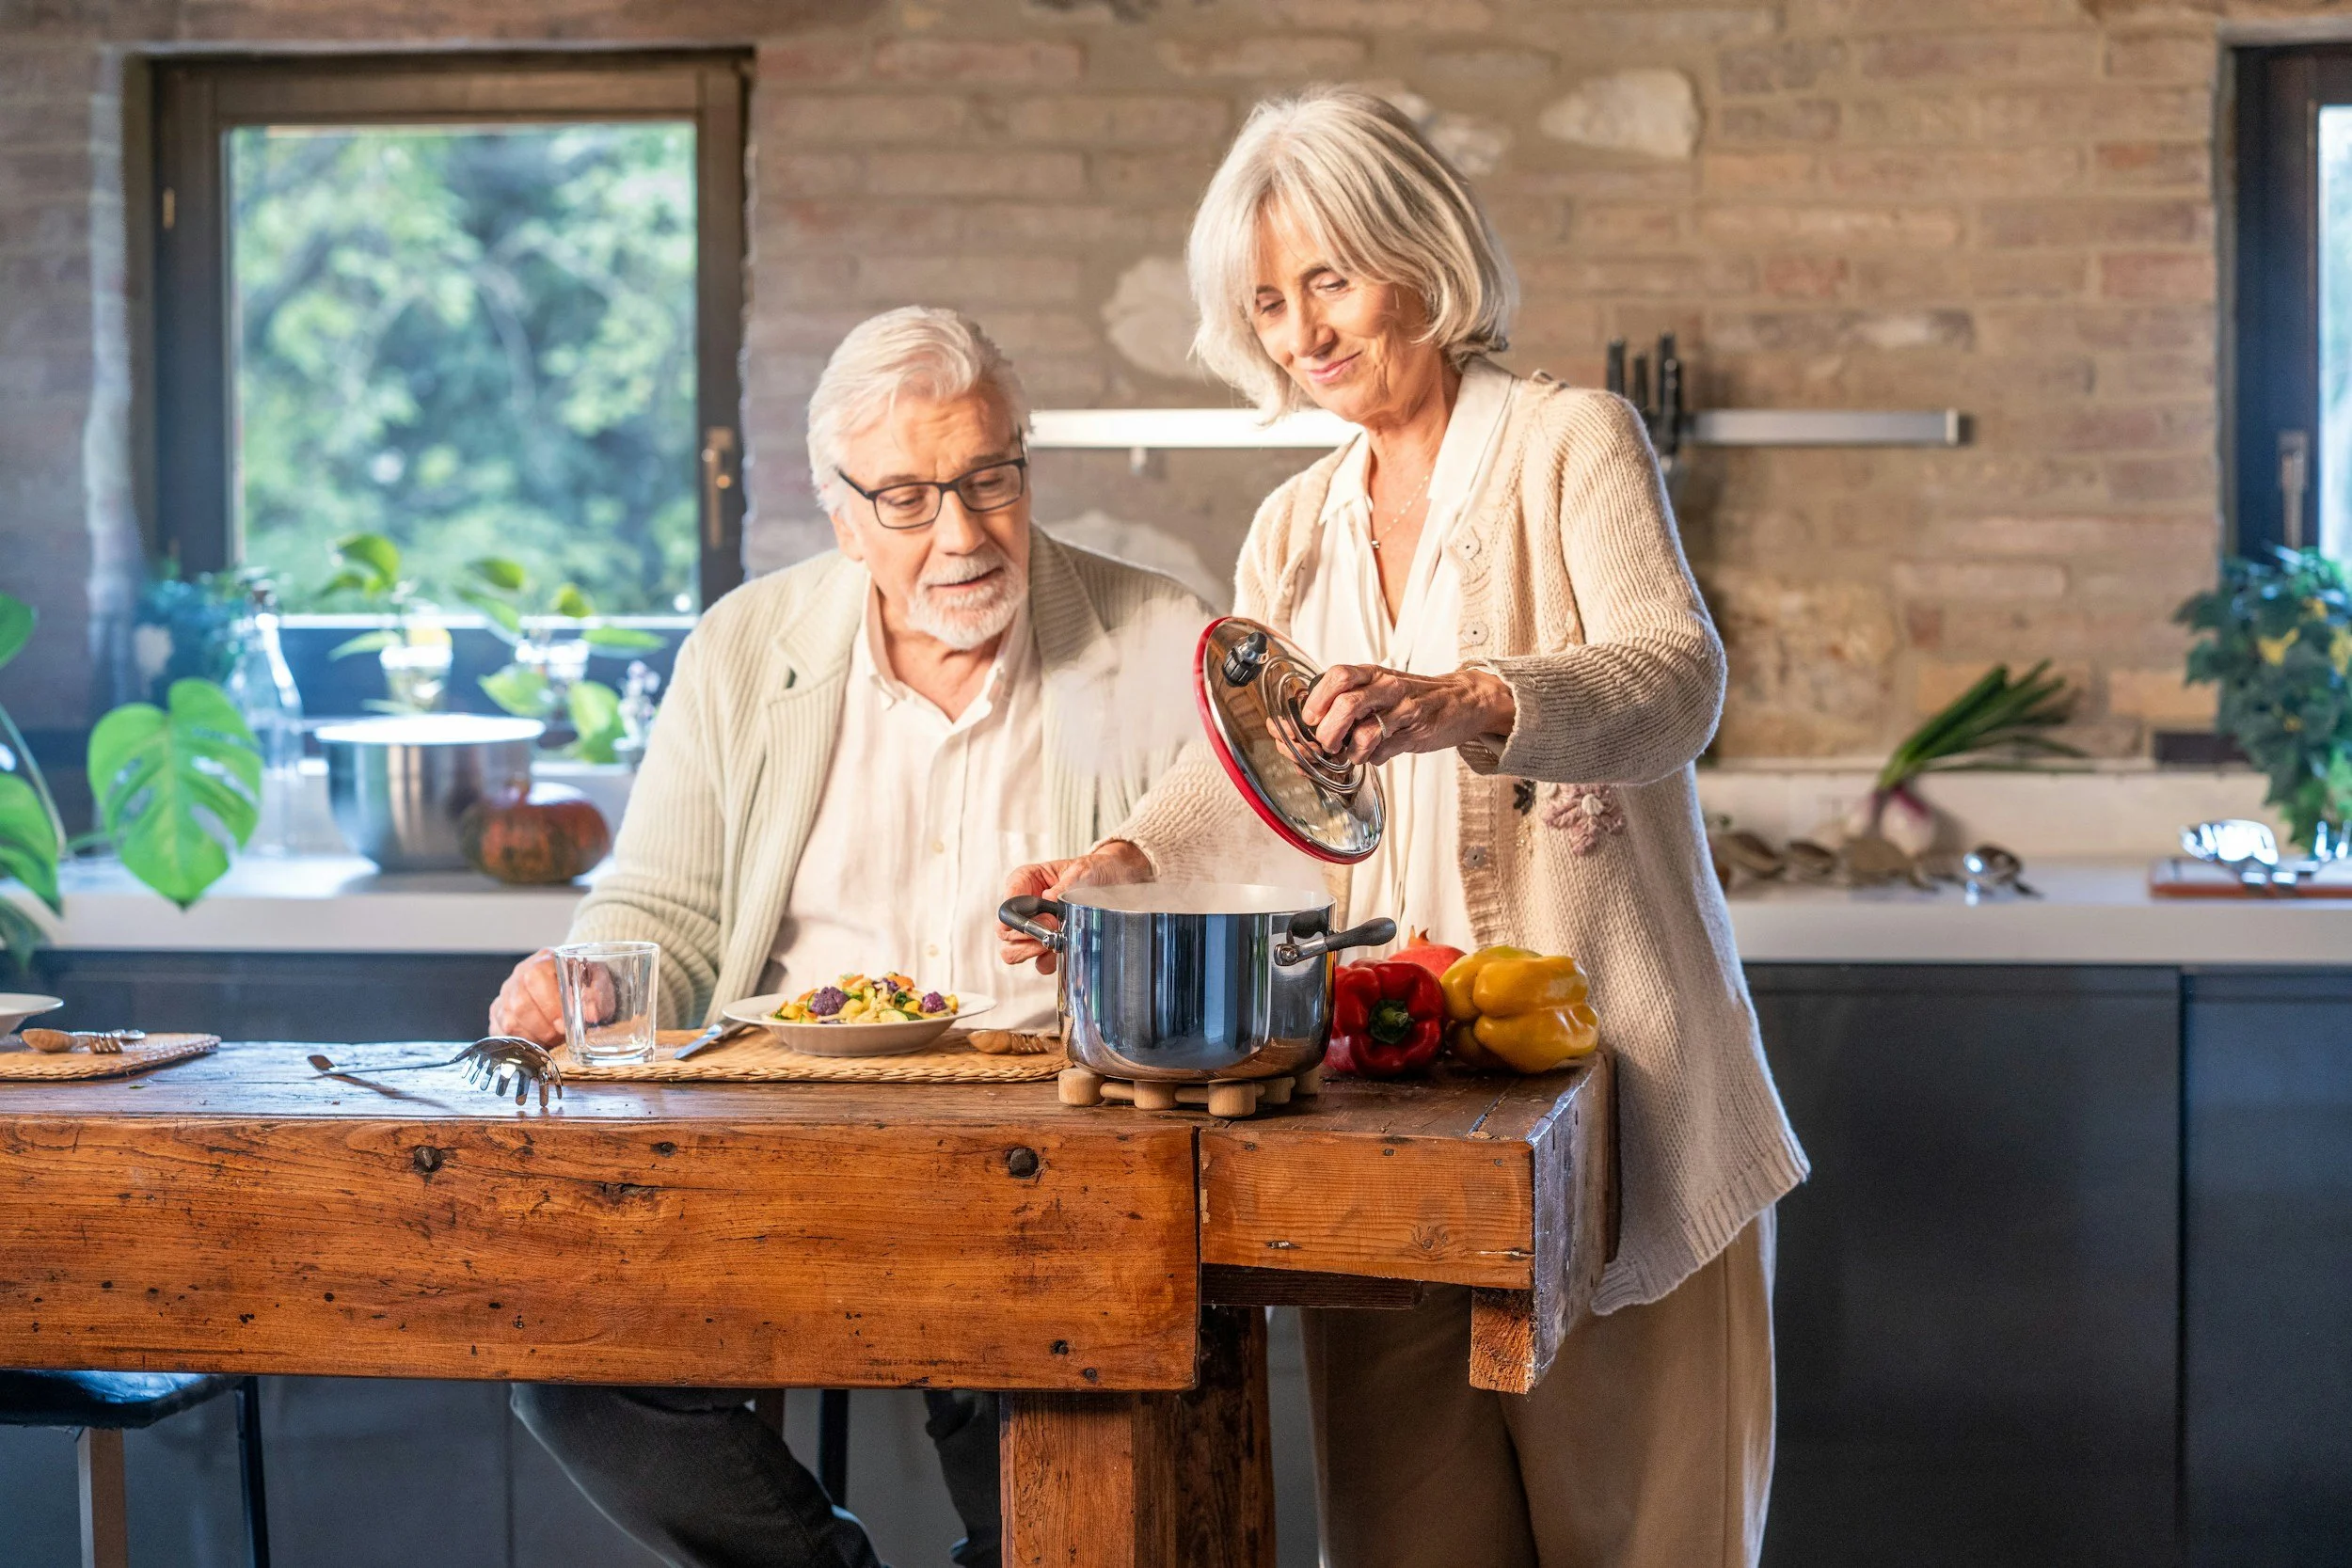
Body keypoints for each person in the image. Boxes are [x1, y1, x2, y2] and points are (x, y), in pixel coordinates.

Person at [1001, 89, 1808, 1568]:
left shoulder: (1574, 441)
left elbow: (1675, 680)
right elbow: (1259, 782)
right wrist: (1123, 864)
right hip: (1385, 1132)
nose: (1300, 329)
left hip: (1613, 1121)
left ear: (1419, 258)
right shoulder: (1294, 525)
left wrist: (1467, 697)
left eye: (1328, 279)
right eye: (1267, 301)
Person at [490, 305, 1204, 1568]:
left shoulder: (1156, 638)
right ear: (841, 512)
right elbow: (661, 908)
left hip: (1045, 1162)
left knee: (1057, 1438)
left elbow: (1243, 871)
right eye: (912, 496)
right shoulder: (742, 648)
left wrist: (1139, 887)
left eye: (991, 477)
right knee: (573, 1367)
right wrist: (584, 973)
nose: (966, 533)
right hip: (771, 1159)